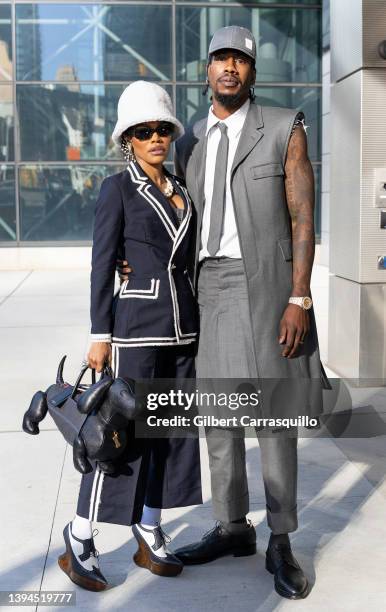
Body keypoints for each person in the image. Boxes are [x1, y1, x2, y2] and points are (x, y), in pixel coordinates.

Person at [118, 25, 330, 600]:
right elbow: (167, 217)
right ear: (206, 69)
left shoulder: (285, 127)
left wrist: (299, 296)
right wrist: (131, 263)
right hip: (205, 290)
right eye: (220, 58)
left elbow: (304, 218)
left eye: (240, 59)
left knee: (274, 418)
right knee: (218, 417)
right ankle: (233, 526)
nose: (229, 68)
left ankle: (281, 538)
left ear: (252, 72)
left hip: (267, 291)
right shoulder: (189, 142)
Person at [58, 81, 202, 591]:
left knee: (171, 437)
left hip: (184, 332)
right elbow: (102, 264)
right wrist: (99, 334)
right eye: (145, 132)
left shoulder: (182, 191)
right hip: (136, 332)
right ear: (129, 140)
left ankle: (149, 526)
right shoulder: (117, 190)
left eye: (163, 129)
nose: (156, 138)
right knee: (117, 439)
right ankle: (79, 538)